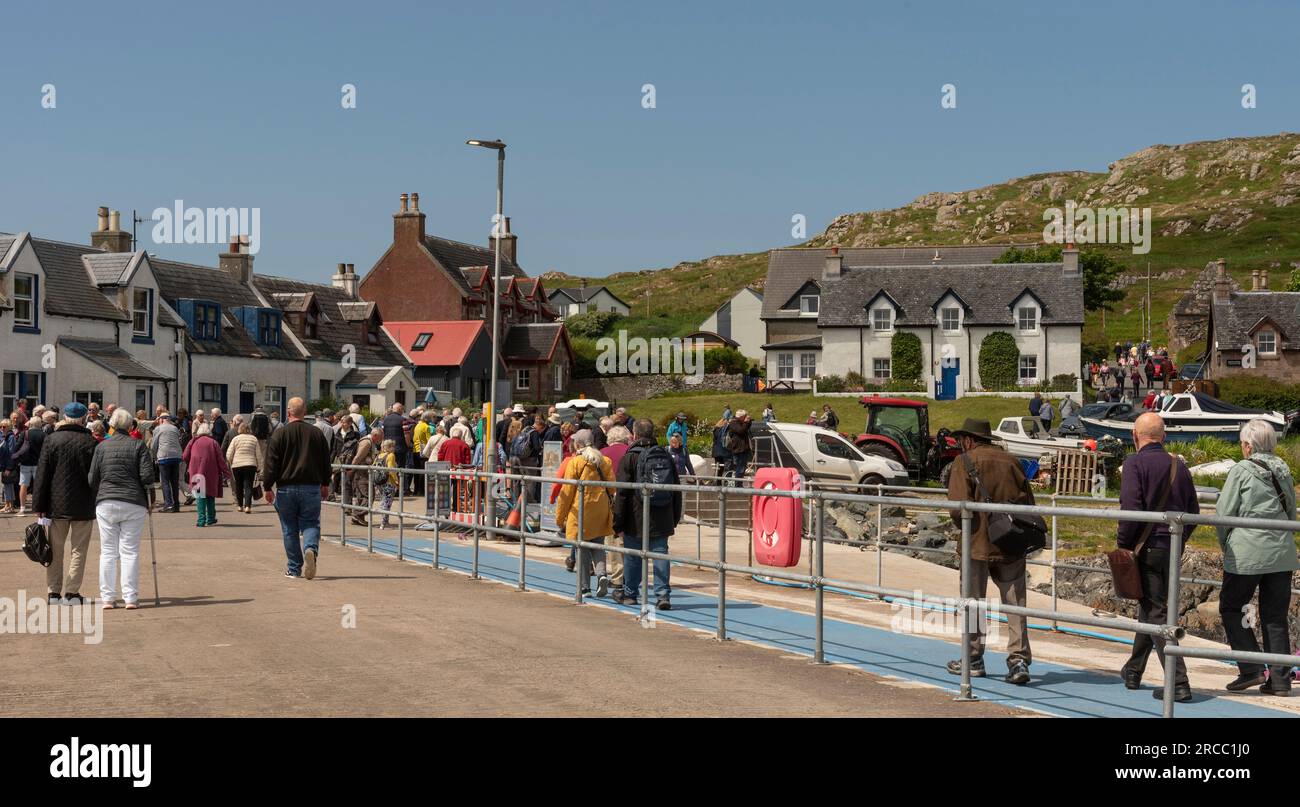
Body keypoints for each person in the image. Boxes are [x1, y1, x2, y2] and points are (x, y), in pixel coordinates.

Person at [945, 417, 1036, 685]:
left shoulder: (964, 462)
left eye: (962, 441)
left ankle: (973, 658)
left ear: (969, 440)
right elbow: (1028, 503)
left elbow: (956, 508)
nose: (961, 445)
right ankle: (1018, 660)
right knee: (1015, 603)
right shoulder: (1012, 461)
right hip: (1011, 544)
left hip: (977, 544)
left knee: (973, 601)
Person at [1117, 412, 1198, 702]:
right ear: (1163, 437)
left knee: (1156, 613)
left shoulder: (1134, 463)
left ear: (1135, 436)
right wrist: (1179, 540)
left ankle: (1178, 681)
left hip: (1145, 548)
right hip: (1171, 549)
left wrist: (1124, 547)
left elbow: (1130, 511)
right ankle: (1134, 670)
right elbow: (1194, 512)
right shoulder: (1179, 465)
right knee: (1151, 608)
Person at [1215, 418, 1298, 696]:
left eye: (1242, 443)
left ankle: (1250, 666)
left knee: (1233, 606)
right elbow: (1291, 514)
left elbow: (1224, 514)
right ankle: (1281, 680)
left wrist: (1226, 544)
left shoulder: (1241, 470)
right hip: (1282, 552)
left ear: (1248, 446)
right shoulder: (1284, 469)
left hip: (1247, 553)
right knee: (1275, 617)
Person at [612, 419, 683, 610]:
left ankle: (630, 593)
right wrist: (675, 517)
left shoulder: (629, 458)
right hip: (662, 514)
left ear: (634, 435)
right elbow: (676, 488)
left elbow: (622, 493)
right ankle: (662, 596)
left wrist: (617, 521)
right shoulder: (665, 456)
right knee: (660, 555)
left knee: (633, 556)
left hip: (635, 517)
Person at [31, 402, 98, 604]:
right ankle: (72, 592)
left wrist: (39, 505)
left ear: (65, 418)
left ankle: (53, 592)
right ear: (84, 418)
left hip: (55, 505)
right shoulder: (90, 442)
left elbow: (42, 475)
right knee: (79, 550)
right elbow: (94, 477)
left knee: (54, 549)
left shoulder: (51, 440)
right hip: (83, 505)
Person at [90, 408, 156, 609]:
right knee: (130, 551)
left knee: (108, 551)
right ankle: (130, 598)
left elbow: (93, 477)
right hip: (133, 502)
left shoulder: (101, 447)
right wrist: (151, 499)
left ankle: (108, 598)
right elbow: (147, 477)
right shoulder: (138, 445)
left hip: (107, 501)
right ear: (130, 426)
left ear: (111, 425)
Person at [263, 397, 333, 580]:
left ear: (288, 412)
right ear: (305, 412)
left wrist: (267, 486)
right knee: (310, 523)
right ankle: (310, 549)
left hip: (286, 488)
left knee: (289, 529)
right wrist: (325, 483)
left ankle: (294, 568)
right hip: (311, 487)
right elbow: (326, 461)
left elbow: (271, 463)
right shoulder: (316, 434)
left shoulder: (279, 434)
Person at [555, 429, 616, 597]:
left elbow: (566, 492)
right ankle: (602, 574)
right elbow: (611, 487)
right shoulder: (605, 461)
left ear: (578, 444)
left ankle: (584, 587)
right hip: (601, 508)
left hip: (580, 510)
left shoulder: (575, 462)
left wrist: (560, 518)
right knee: (598, 546)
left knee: (581, 548)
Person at [183, 422, 232, 527]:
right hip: (211, 473)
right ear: (209, 431)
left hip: (196, 472)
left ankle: (201, 520)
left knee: (200, 496)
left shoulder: (193, 441)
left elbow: (185, 456)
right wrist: (227, 473)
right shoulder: (213, 442)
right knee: (210, 495)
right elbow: (220, 460)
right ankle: (210, 518)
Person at [13, 409, 46, 516]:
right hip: (39, 463)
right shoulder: (44, 435)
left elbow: (16, 447)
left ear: (30, 423)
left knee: (23, 485)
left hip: (25, 463)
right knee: (39, 486)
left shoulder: (25, 433)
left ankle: (22, 509)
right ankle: (38, 508)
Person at [226, 423, 264, 514]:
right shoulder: (253, 439)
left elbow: (228, 454)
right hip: (251, 465)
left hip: (237, 465)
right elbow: (258, 455)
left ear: (239, 430)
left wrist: (231, 463)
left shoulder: (235, 439)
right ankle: (248, 506)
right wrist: (259, 468)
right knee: (248, 486)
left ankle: (239, 505)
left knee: (238, 485)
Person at [151, 414, 183, 512]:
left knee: (165, 482)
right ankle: (176, 505)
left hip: (164, 457)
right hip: (176, 457)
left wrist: (155, 457)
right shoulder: (175, 429)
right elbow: (178, 441)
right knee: (174, 482)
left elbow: (154, 445)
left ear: (161, 420)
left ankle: (168, 504)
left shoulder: (158, 429)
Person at [374, 439, 400, 529]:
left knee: (383, 501)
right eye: (393, 446)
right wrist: (397, 481)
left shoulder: (379, 455)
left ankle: (385, 521)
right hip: (389, 482)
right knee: (387, 503)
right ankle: (383, 523)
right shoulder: (391, 455)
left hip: (380, 482)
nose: (394, 448)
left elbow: (374, 467)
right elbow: (391, 470)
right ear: (390, 447)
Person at [724, 410, 752, 480]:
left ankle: (739, 484)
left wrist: (748, 422)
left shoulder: (740, 423)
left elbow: (745, 429)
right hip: (739, 449)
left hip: (743, 449)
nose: (746, 418)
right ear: (741, 417)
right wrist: (746, 422)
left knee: (742, 468)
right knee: (740, 468)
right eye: (745, 416)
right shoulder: (733, 423)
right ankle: (737, 485)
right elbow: (741, 431)